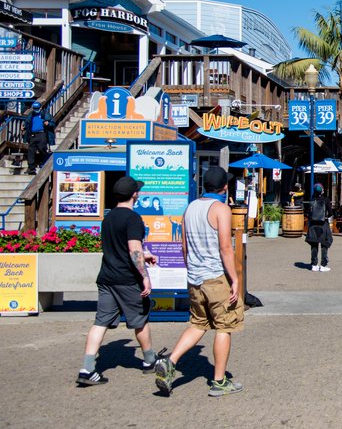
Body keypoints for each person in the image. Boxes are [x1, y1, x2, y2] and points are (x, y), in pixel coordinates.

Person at [155, 166, 245, 397]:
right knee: (224, 327)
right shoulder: (221, 209)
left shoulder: (190, 208)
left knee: (197, 323)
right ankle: (219, 380)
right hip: (216, 277)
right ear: (225, 187)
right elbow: (225, 247)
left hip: (195, 277)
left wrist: (191, 269)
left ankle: (171, 361)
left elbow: (183, 246)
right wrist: (234, 279)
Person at [76, 176, 160, 386]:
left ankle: (87, 368)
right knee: (140, 319)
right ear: (134, 195)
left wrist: (143, 254)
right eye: (137, 191)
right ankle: (150, 361)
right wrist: (145, 276)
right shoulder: (133, 218)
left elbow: (121, 247)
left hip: (106, 277)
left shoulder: (109, 217)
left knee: (100, 321)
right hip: (127, 279)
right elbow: (133, 249)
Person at [306, 183, 333, 271]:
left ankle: (314, 264)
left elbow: (307, 213)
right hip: (323, 224)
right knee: (324, 244)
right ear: (322, 190)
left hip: (313, 225)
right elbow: (331, 213)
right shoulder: (326, 200)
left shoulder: (311, 200)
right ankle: (323, 265)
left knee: (314, 244)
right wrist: (325, 216)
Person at [24, 101, 55, 175]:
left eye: (37, 108)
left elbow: (53, 123)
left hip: (42, 133)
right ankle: (31, 167)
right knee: (31, 150)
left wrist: (48, 123)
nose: (36, 110)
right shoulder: (31, 114)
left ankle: (43, 162)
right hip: (33, 134)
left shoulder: (45, 114)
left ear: (41, 108)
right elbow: (27, 123)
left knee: (42, 148)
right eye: (34, 108)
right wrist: (24, 127)